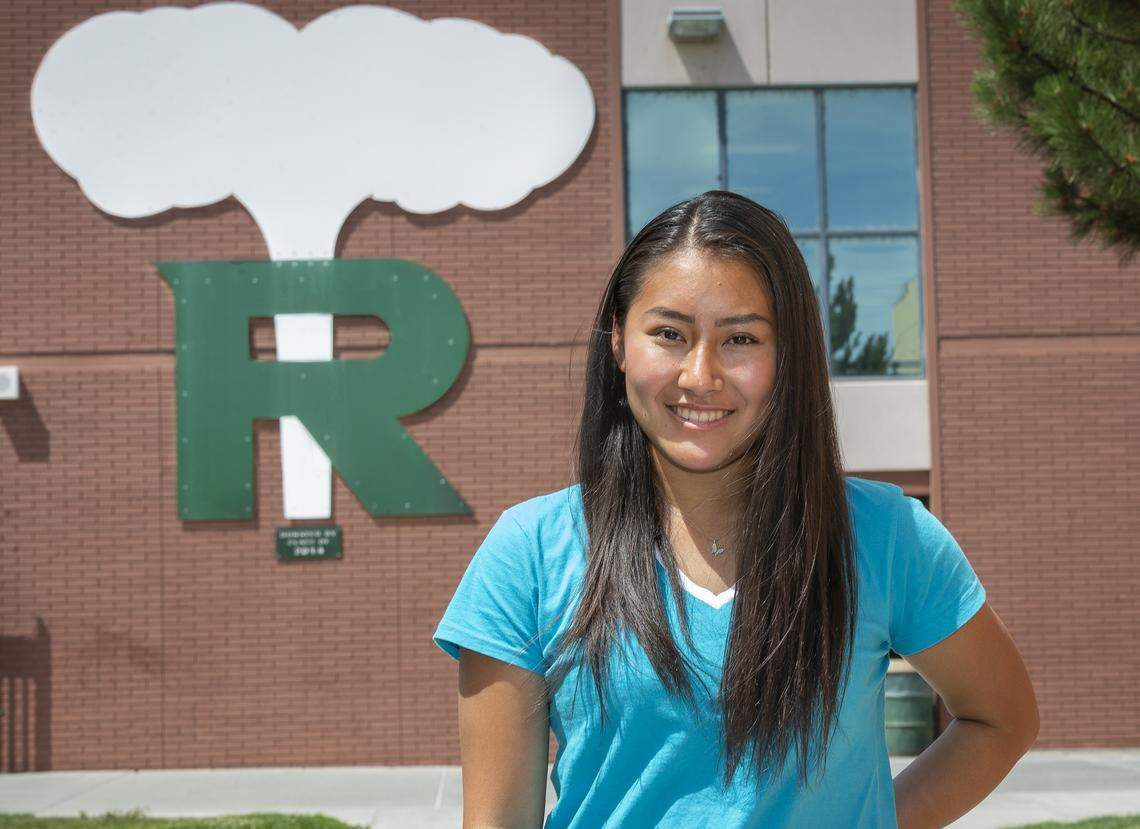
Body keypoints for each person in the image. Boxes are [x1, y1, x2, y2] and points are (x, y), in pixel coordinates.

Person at [432, 190, 1039, 828]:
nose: (700, 375)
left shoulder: (885, 535)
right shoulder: (530, 551)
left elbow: (1000, 718)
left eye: (741, 338)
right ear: (617, 340)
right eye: (669, 334)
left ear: (788, 354)